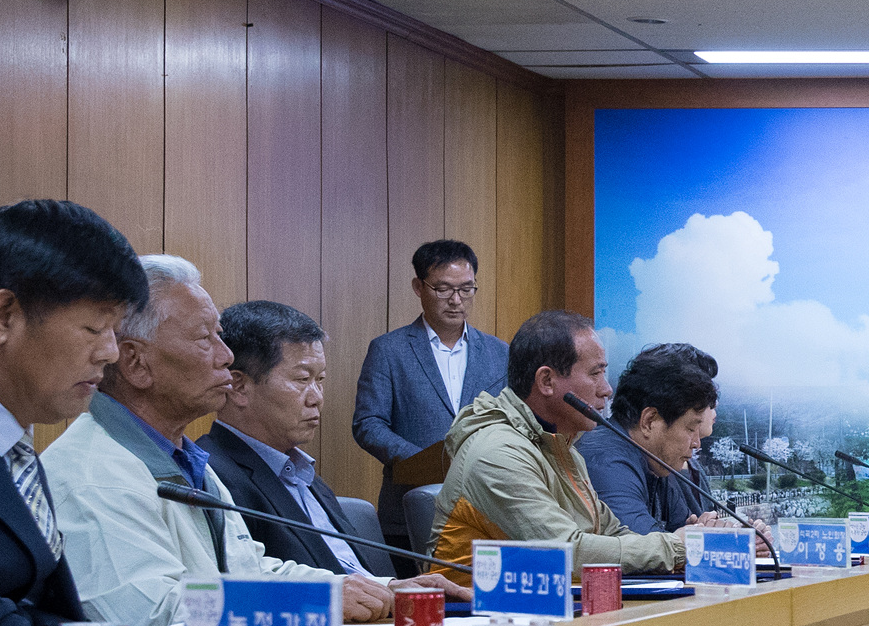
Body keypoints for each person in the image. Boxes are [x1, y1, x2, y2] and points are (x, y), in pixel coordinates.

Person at [45, 256, 394, 626]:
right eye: (204, 338)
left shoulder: (186, 459)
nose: (226, 356)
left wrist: (376, 589)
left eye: (220, 335)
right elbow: (152, 616)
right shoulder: (91, 474)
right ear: (136, 362)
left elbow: (250, 570)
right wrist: (313, 601)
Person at [0, 201, 147, 626]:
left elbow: (39, 612)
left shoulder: (7, 436)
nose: (111, 352)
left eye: (116, 330)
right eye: (94, 328)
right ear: (3, 316)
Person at [429, 310, 684, 577]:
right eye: (595, 373)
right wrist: (676, 547)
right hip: (469, 602)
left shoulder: (562, 447)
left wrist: (683, 546)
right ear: (547, 381)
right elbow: (566, 553)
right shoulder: (497, 453)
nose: (607, 389)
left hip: (548, 600)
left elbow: (611, 532)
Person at [202, 300, 391, 578]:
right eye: (302, 380)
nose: (316, 398)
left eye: (320, 380)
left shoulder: (305, 475)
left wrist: (396, 587)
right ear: (238, 386)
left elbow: (356, 575)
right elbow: (247, 584)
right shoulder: (212, 476)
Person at [352, 238, 507, 564]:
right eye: (443, 289)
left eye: (466, 289)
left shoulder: (499, 353)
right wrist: (423, 462)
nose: (456, 300)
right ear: (418, 287)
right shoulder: (389, 350)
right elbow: (368, 423)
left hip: (485, 513)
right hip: (407, 512)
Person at [581, 342, 722, 534]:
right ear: (649, 421)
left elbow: (682, 532)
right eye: (690, 428)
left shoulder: (656, 462)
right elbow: (640, 544)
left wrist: (714, 533)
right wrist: (700, 539)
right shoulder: (607, 461)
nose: (696, 444)